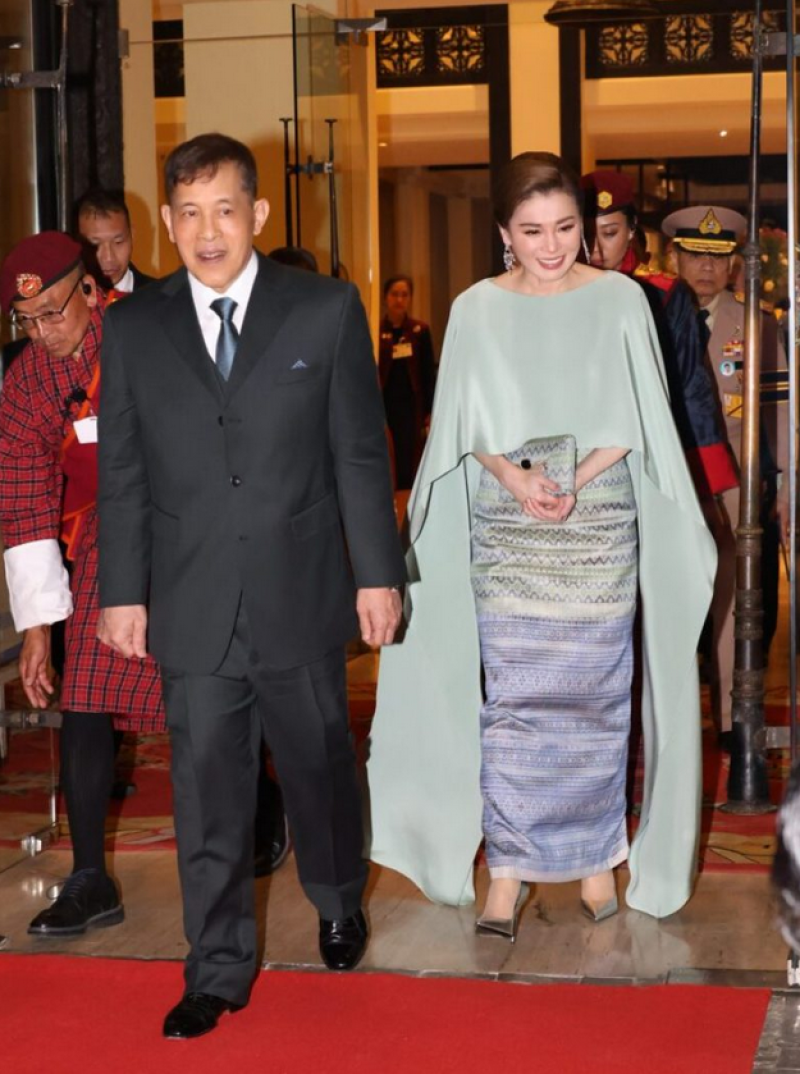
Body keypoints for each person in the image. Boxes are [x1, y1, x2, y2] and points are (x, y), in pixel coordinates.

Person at [96, 133, 405, 1040]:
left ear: (258, 214)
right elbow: (123, 471)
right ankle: (216, 968)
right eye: (189, 213)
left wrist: (377, 575)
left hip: (299, 586)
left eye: (224, 210)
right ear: (168, 221)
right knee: (205, 789)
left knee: (319, 765)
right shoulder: (134, 326)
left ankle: (337, 896)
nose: (207, 231)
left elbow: (359, 453)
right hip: (190, 596)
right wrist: (122, 591)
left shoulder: (324, 309)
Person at [368, 152, 715, 933]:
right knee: (514, 701)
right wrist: (517, 479)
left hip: (598, 523)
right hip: (508, 523)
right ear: (504, 232)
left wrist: (573, 480)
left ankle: (595, 861)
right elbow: (462, 422)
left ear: (585, 228)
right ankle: (508, 869)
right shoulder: (475, 309)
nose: (551, 246)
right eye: (532, 231)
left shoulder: (621, 299)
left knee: (596, 699)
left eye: (564, 228)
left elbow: (640, 418)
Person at [0, 232, 164, 936]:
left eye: (53, 315)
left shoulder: (148, 335)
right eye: (26, 322)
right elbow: (23, 499)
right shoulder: (25, 383)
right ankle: (90, 875)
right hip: (96, 540)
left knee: (213, 684)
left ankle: (257, 804)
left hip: (185, 522)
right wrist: (38, 627)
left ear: (91, 292)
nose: (42, 334)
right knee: (86, 695)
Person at [664, 205, 788, 732]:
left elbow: (779, 409)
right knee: (668, 597)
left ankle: (730, 722)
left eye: (718, 258)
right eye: (695, 255)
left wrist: (784, 482)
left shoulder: (756, 323)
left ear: (734, 264)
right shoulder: (651, 316)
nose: (706, 268)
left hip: (735, 478)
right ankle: (669, 720)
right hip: (671, 477)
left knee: (733, 601)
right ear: (674, 257)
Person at [581, 170, 738, 502]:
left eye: (609, 233)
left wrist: (706, 482)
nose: (596, 247)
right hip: (576, 447)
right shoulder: (555, 290)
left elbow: (691, 386)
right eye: (586, 232)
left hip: (649, 447)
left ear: (631, 230)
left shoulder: (664, 294)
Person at [378, 275, 436, 490]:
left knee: (411, 453)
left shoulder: (419, 330)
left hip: (412, 406)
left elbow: (428, 373)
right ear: (385, 297)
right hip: (384, 403)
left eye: (404, 295)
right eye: (395, 294)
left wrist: (430, 409)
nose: (399, 300)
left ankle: (409, 495)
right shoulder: (376, 329)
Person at [75, 188, 155, 293]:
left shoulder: (159, 297)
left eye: (118, 242)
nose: (108, 258)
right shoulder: (67, 298)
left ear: (132, 236)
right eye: (95, 245)